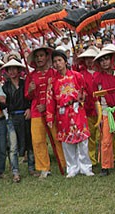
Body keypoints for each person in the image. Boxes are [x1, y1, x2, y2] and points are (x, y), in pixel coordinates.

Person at [47, 50, 94, 178]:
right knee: (67, 142)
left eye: (59, 60)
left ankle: (86, 167)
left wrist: (82, 97)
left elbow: (85, 91)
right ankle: (72, 167)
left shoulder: (77, 76)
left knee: (82, 140)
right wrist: (50, 116)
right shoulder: (52, 81)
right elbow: (50, 99)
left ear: (65, 61)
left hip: (77, 109)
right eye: (55, 61)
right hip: (62, 113)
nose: (57, 64)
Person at [25, 47, 66, 178]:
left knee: (57, 138)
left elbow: (59, 90)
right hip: (36, 112)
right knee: (38, 140)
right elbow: (27, 96)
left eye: (41, 56)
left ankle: (64, 163)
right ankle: (43, 168)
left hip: (52, 111)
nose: (39, 59)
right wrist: (31, 90)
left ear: (46, 57)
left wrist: (48, 105)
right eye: (37, 57)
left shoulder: (54, 73)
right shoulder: (30, 76)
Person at [93, 47, 115, 176]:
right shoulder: (97, 79)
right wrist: (100, 116)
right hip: (106, 112)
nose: (104, 62)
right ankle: (105, 165)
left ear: (111, 60)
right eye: (101, 60)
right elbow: (96, 99)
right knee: (106, 139)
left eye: (106, 59)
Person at [1, 59, 34, 182]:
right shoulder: (5, 87)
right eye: (9, 69)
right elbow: (3, 105)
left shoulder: (25, 83)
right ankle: (15, 172)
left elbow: (31, 98)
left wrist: (29, 108)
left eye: (14, 68)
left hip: (25, 115)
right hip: (12, 117)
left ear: (19, 70)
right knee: (13, 146)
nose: (12, 71)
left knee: (29, 142)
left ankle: (31, 167)